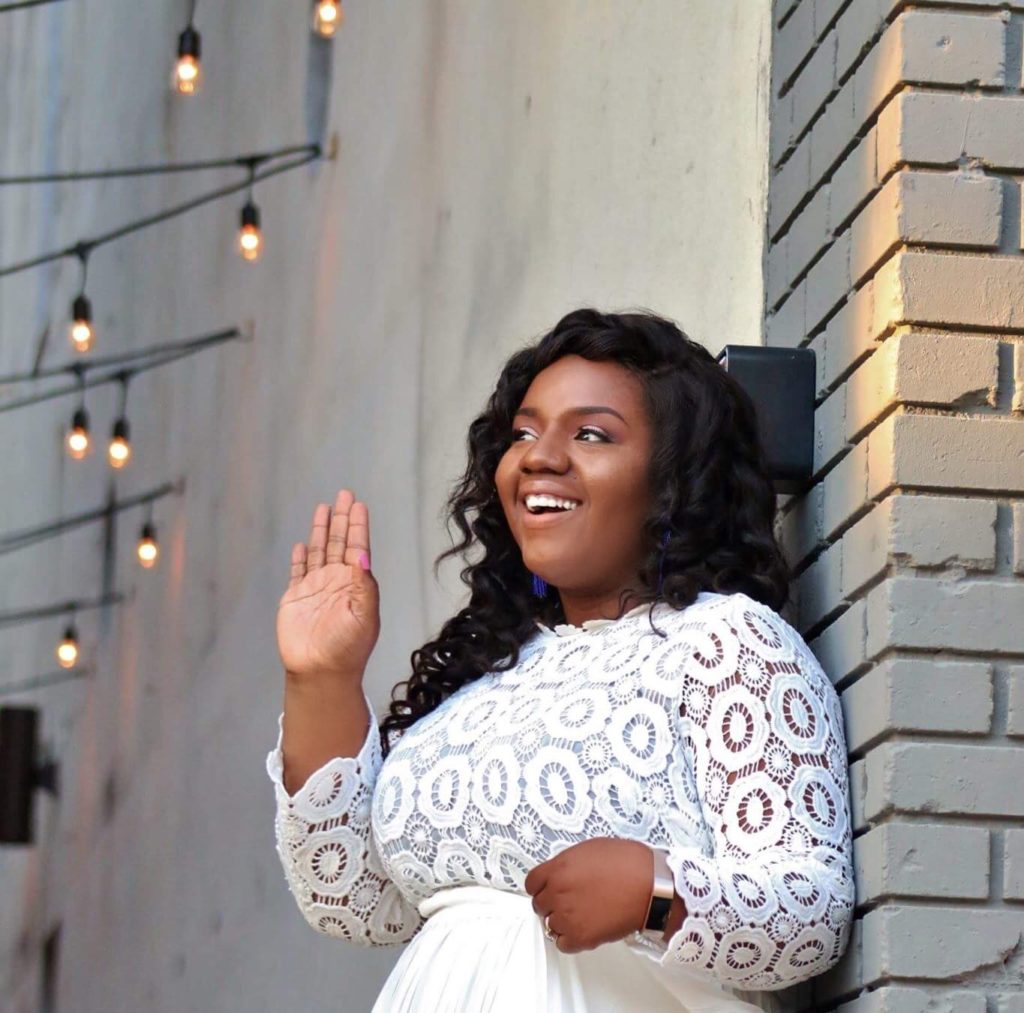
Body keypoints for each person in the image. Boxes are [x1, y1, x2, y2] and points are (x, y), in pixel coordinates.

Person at [266, 309, 855, 1011]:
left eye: (590, 434)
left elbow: (814, 911)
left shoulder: (725, 642)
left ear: (674, 480)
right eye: (523, 433)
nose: (538, 457)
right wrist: (321, 679)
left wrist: (654, 893)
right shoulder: (489, 676)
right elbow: (357, 903)